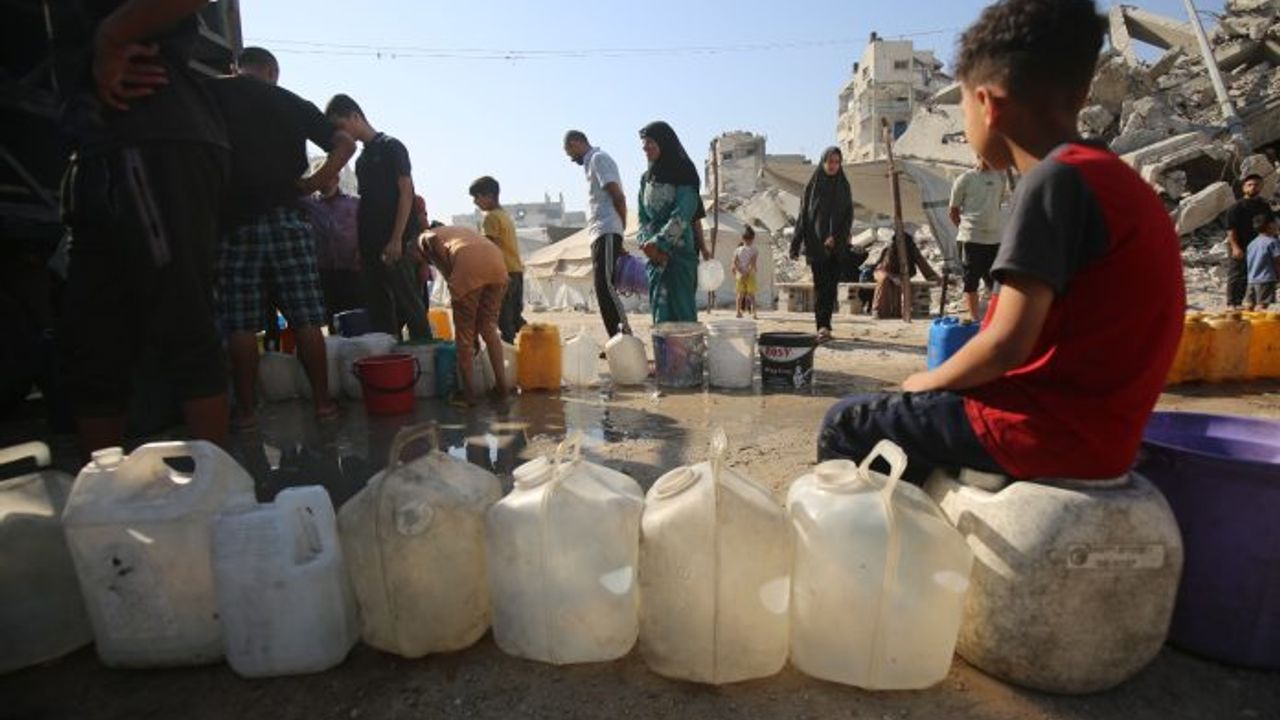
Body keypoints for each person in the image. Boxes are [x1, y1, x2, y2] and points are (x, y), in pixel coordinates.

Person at [817, 0, 1185, 485]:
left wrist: (923, 383)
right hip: (1105, 434)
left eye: (963, 106)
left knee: (846, 422)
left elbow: (1005, 345)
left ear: (987, 105)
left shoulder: (1055, 181)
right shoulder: (1121, 182)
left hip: (1042, 430)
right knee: (917, 418)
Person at [48, 0, 234, 454]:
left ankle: (220, 485)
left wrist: (113, 34)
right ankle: (107, 487)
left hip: (149, 134)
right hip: (98, 146)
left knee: (184, 319)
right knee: (92, 338)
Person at [208, 47, 353, 430]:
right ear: (273, 71)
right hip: (288, 219)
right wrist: (314, 183)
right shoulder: (291, 102)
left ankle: (246, 412)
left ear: (236, 68)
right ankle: (323, 405)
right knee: (306, 318)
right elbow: (345, 144)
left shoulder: (214, 92)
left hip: (235, 224)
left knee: (240, 325)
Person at [325, 94, 429, 340]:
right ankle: (390, 359)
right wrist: (360, 247)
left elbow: (406, 192)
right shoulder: (361, 160)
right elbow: (366, 204)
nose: (341, 134)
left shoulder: (392, 146)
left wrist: (397, 239)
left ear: (355, 116)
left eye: (341, 126)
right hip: (370, 246)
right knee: (379, 312)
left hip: (396, 242)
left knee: (411, 308)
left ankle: (425, 356)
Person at [418, 226, 509, 405]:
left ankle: (469, 395)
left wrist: (451, 279)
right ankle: (502, 387)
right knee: (489, 328)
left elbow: (431, 239)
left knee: (464, 336)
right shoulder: (457, 232)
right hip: (497, 264)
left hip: (468, 267)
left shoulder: (424, 237)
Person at [564, 130, 631, 336]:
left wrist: (620, 229)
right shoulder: (591, 164)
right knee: (602, 288)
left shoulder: (598, 158)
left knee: (606, 286)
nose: (571, 158)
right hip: (601, 231)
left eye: (570, 152)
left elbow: (618, 196)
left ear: (576, 143)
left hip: (607, 228)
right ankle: (616, 340)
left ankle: (624, 338)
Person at [635, 121, 701, 324]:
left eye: (650, 142)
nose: (645, 148)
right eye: (644, 143)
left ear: (664, 142)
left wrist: (660, 244)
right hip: (654, 257)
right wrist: (646, 243)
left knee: (682, 312)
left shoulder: (684, 172)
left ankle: (687, 347)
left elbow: (684, 213)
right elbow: (642, 217)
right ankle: (663, 346)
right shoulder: (646, 179)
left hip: (679, 252)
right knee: (660, 311)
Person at [791, 147, 853, 343]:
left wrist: (837, 236)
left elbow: (848, 216)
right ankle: (822, 326)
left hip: (837, 245)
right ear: (823, 162)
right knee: (821, 286)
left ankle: (826, 324)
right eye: (830, 161)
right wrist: (795, 244)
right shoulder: (812, 186)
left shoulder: (844, 186)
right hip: (816, 245)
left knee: (831, 287)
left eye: (837, 162)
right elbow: (803, 216)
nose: (833, 165)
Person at [300, 170, 363, 333]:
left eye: (327, 177)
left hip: (352, 269)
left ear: (336, 178)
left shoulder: (354, 204)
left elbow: (365, 230)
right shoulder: (308, 204)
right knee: (331, 315)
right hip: (324, 271)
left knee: (355, 314)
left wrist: (361, 253)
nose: (324, 182)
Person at [949, 157, 1008, 321]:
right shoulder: (965, 179)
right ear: (978, 157)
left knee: (996, 282)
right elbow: (953, 211)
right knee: (971, 280)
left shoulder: (1000, 178)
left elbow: (997, 205)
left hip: (994, 238)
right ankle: (975, 318)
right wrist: (966, 229)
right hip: (971, 238)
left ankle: (995, 318)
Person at [470, 176, 526, 343]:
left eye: (477, 197)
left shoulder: (491, 218)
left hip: (503, 273)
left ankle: (508, 352)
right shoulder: (504, 216)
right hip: (516, 271)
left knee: (504, 320)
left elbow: (490, 249)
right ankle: (539, 339)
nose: (475, 202)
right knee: (515, 317)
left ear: (489, 196)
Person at [870, 233, 940, 319]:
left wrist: (932, 277)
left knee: (903, 283)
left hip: (901, 274)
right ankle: (877, 310)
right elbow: (883, 267)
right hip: (883, 272)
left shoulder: (912, 250)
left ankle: (897, 312)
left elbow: (922, 264)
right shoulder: (890, 249)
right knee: (884, 280)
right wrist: (892, 277)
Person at [1226, 174, 1270, 308]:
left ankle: (1252, 304)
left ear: (1261, 187)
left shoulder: (1264, 205)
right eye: (1249, 185)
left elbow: (1270, 225)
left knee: (1257, 275)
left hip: (1258, 246)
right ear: (1243, 188)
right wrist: (1235, 247)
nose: (1253, 187)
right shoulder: (1236, 207)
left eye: (1256, 185)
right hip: (1240, 244)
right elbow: (1230, 230)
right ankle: (1233, 304)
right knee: (1237, 275)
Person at [1245, 211, 1280, 310]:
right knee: (1262, 305)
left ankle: (1245, 319)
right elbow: (1277, 260)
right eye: (1276, 223)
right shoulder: (1273, 242)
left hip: (1252, 278)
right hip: (1266, 278)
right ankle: (1258, 320)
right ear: (1270, 225)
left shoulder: (1252, 243)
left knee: (1250, 304)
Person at [734, 225, 760, 318]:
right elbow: (752, 263)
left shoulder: (737, 250)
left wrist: (741, 272)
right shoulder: (754, 250)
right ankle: (754, 313)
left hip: (740, 274)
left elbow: (735, 262)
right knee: (751, 295)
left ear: (742, 238)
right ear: (753, 238)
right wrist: (747, 272)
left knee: (740, 294)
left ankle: (738, 312)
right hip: (750, 274)